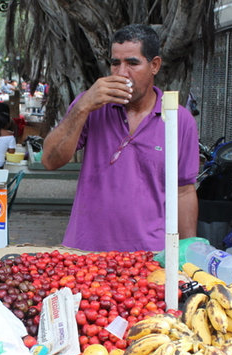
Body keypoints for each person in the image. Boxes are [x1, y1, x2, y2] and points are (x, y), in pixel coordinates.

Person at [42, 24, 199, 252]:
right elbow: (50, 160)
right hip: (86, 251)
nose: (121, 73)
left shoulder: (178, 119)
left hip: (149, 255)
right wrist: (83, 106)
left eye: (132, 63)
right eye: (115, 63)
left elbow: (183, 191)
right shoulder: (91, 106)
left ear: (154, 65)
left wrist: (187, 253)